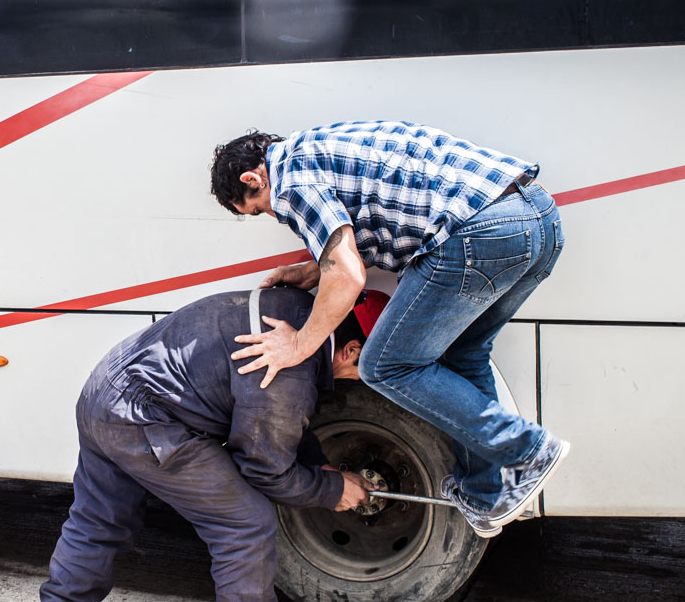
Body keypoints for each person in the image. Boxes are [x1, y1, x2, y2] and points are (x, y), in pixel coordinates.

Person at [210, 120, 569, 538]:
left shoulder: (290, 183)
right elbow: (384, 218)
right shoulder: (317, 146)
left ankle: (527, 449)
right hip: (535, 219)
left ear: (253, 179)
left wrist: (298, 345)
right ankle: (484, 491)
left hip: (476, 233)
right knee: (463, 355)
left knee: (385, 365)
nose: (270, 215)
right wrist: (315, 269)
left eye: (258, 208)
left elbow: (346, 276)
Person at [29, 287, 375, 602]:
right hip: (147, 419)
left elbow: (266, 417)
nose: (363, 380)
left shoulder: (295, 310)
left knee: (98, 519)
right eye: (369, 369)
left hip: (104, 391)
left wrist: (318, 463)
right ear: (352, 350)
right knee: (245, 524)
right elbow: (266, 468)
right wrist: (333, 489)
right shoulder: (290, 369)